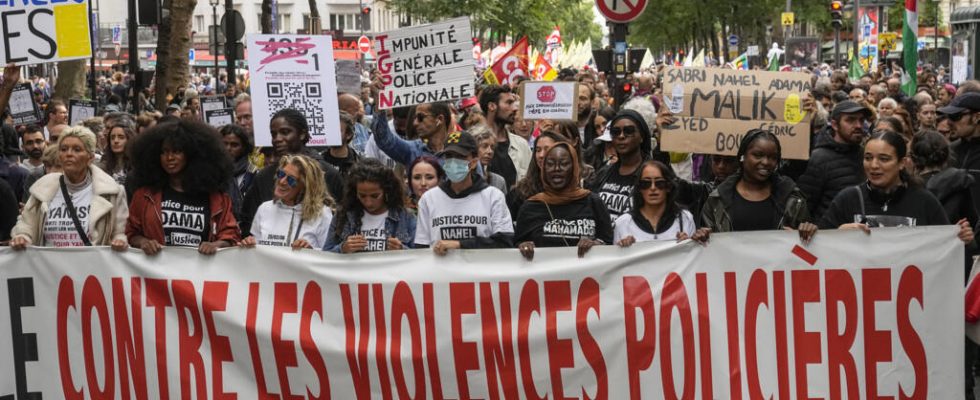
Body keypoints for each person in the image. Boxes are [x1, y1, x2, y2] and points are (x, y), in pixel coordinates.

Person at [820, 130, 973, 241]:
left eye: (884, 159)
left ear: (902, 163)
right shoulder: (848, 198)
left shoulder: (924, 201)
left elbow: (944, 251)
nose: (873, 165)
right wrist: (837, 234)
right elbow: (820, 247)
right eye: (868, 158)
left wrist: (961, 240)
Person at [126, 120, 240, 255]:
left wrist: (215, 245)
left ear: (192, 155)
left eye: (176, 151)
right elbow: (131, 233)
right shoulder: (144, 195)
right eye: (164, 152)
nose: (169, 157)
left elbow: (231, 235)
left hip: (201, 273)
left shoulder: (217, 199)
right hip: (157, 273)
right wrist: (144, 242)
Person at [10, 126, 129, 250]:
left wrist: (119, 241)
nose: (69, 154)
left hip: (91, 267)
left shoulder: (112, 192)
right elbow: (27, 223)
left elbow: (120, 232)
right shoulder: (42, 188)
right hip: (47, 267)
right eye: (63, 149)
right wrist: (23, 236)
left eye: (77, 150)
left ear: (91, 158)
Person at [240, 108, 344, 234]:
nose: (277, 138)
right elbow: (248, 222)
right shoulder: (263, 177)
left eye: (285, 132)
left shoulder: (328, 174)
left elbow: (341, 222)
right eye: (273, 134)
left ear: (302, 134)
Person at [701, 129, 815, 240]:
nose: (766, 162)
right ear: (743, 156)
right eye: (758, 155)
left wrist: (808, 233)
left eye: (773, 158)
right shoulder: (717, 200)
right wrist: (702, 237)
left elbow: (807, 252)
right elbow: (709, 250)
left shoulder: (793, 199)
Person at [415, 131, 514, 254]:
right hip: (442, 272)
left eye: (460, 157)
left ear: (473, 162)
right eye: (449, 156)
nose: (453, 161)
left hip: (481, 271)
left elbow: (504, 242)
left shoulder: (493, 197)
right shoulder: (429, 199)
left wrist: (460, 244)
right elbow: (421, 249)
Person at [514, 142, 612, 260]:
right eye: (550, 164)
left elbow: (609, 242)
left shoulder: (593, 202)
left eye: (564, 164)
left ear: (574, 167)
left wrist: (597, 244)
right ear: (543, 168)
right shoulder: (530, 207)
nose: (557, 169)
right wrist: (523, 246)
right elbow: (516, 245)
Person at [241, 154, 334, 249]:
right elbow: (256, 251)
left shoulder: (322, 214)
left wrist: (310, 251)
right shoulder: (264, 209)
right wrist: (250, 244)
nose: (282, 181)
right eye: (281, 174)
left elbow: (329, 254)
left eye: (290, 180)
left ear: (304, 187)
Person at [798, 100, 871, 220]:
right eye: (850, 120)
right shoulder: (819, 159)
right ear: (835, 125)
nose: (858, 125)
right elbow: (805, 207)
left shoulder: (866, 155)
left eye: (861, 120)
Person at [324, 159, 416, 253]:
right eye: (362, 196)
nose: (368, 202)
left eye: (375, 196)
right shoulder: (343, 215)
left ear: (386, 191)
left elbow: (420, 257)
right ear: (355, 192)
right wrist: (343, 248)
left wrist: (402, 250)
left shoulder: (405, 217)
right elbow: (326, 255)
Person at [588, 109, 654, 220]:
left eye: (628, 131)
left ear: (642, 136)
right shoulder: (604, 171)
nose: (621, 136)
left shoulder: (652, 173)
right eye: (615, 132)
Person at [507, 131, 569, 219]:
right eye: (538, 150)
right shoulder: (519, 193)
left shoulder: (575, 192)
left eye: (547, 149)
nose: (541, 155)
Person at [481, 85, 532, 188]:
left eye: (514, 103)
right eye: (509, 103)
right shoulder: (472, 143)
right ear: (491, 106)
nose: (515, 108)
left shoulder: (521, 145)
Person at [221, 124, 257, 227]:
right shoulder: (213, 170)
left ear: (244, 147)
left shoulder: (252, 171)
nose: (228, 148)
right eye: (225, 144)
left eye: (234, 145)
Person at [469, 125, 508, 193]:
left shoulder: (498, 181)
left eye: (492, 147)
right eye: (484, 146)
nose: (490, 151)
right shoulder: (463, 181)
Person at [98, 116, 136, 186]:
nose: (115, 141)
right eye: (112, 138)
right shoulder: (103, 165)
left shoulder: (137, 166)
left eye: (121, 137)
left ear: (129, 139)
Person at [321, 111, 360, 178]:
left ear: (348, 135)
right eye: (330, 130)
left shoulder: (358, 162)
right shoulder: (319, 160)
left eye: (337, 131)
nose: (332, 134)